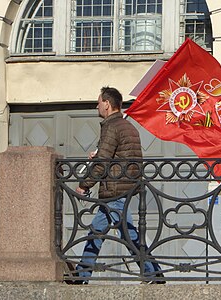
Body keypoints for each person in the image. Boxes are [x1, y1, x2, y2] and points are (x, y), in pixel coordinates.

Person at [69, 86, 164, 284]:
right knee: (96, 232)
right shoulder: (128, 127)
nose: (97, 106)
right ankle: (81, 275)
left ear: (107, 104)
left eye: (98, 102)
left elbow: (103, 161)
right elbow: (120, 157)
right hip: (124, 188)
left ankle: (152, 274)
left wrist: (85, 184)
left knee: (129, 236)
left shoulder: (111, 127)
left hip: (115, 190)